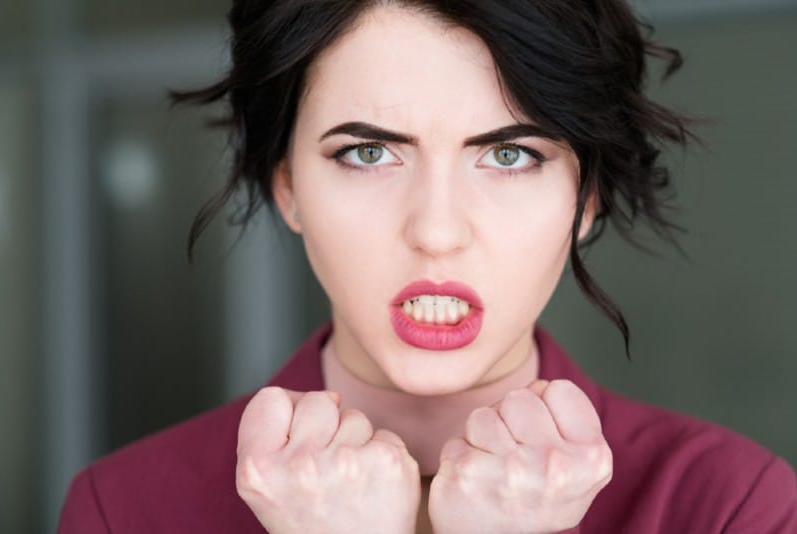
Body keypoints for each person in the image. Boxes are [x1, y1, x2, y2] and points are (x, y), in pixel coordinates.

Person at [59, 1, 797, 533]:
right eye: (368, 152)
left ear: (587, 196)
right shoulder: (125, 509)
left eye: (510, 155)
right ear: (286, 185)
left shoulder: (730, 504)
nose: (437, 232)